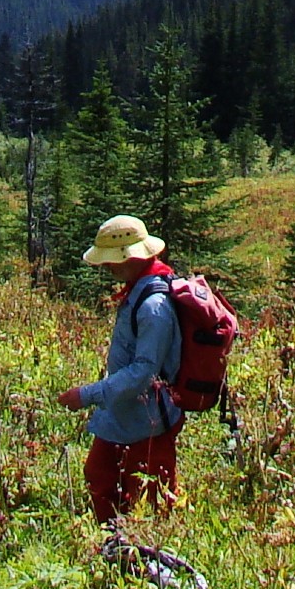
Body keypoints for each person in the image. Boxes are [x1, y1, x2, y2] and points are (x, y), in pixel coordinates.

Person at [56, 214, 186, 526]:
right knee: (99, 478)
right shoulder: (137, 292)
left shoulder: (154, 306)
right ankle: (113, 551)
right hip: (123, 417)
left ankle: (146, 564)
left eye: (111, 261)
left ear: (131, 257)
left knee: (149, 505)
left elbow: (144, 373)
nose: (107, 268)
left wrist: (87, 395)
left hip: (149, 423)